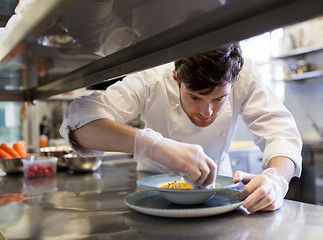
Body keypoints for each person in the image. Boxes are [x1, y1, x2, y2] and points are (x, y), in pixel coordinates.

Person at [60, 43, 302, 213]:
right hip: (152, 196)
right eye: (195, 97)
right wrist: (153, 146)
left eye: (219, 99)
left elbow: (281, 132)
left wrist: (277, 179)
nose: (207, 112)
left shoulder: (243, 73)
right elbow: (79, 123)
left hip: (221, 193)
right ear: (177, 78)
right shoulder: (152, 77)